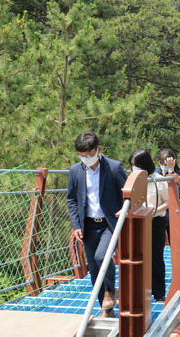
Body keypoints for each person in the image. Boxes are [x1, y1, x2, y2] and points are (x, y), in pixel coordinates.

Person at [67, 131, 127, 318]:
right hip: (88, 225)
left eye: (89, 155)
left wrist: (123, 212)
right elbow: (72, 200)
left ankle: (110, 290)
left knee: (102, 257)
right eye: (81, 156)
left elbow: (127, 195)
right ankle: (107, 309)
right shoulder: (75, 171)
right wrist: (76, 225)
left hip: (109, 224)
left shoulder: (114, 167)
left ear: (98, 150)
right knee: (93, 269)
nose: (85, 159)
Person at [128, 149, 169, 302]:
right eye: (132, 165)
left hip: (155, 221)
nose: (134, 168)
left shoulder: (158, 179)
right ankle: (141, 291)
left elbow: (168, 201)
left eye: (136, 165)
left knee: (156, 257)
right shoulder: (132, 179)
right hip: (137, 221)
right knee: (138, 256)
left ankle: (159, 293)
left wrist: (154, 211)